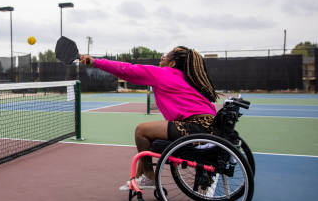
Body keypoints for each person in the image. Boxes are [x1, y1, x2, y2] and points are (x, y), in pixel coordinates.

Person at [79, 46, 219, 189]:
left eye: (166, 55)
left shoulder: (162, 73)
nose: (162, 57)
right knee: (151, 136)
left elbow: (126, 69)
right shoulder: (187, 79)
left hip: (195, 128)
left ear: (172, 63)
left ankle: (149, 177)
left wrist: (95, 62)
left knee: (141, 131)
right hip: (209, 128)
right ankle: (140, 177)